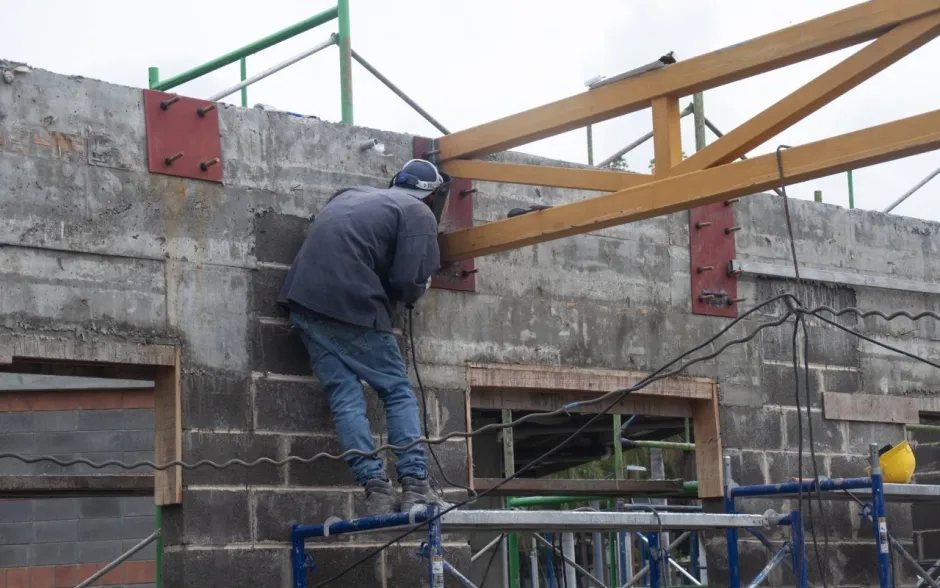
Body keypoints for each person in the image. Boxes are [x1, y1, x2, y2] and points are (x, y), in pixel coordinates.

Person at [277, 158, 451, 517]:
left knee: (345, 395)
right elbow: (407, 282)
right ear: (430, 196)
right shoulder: (419, 214)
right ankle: (416, 487)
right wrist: (420, 286)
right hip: (350, 306)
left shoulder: (349, 194)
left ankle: (377, 493)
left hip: (303, 303)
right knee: (396, 389)